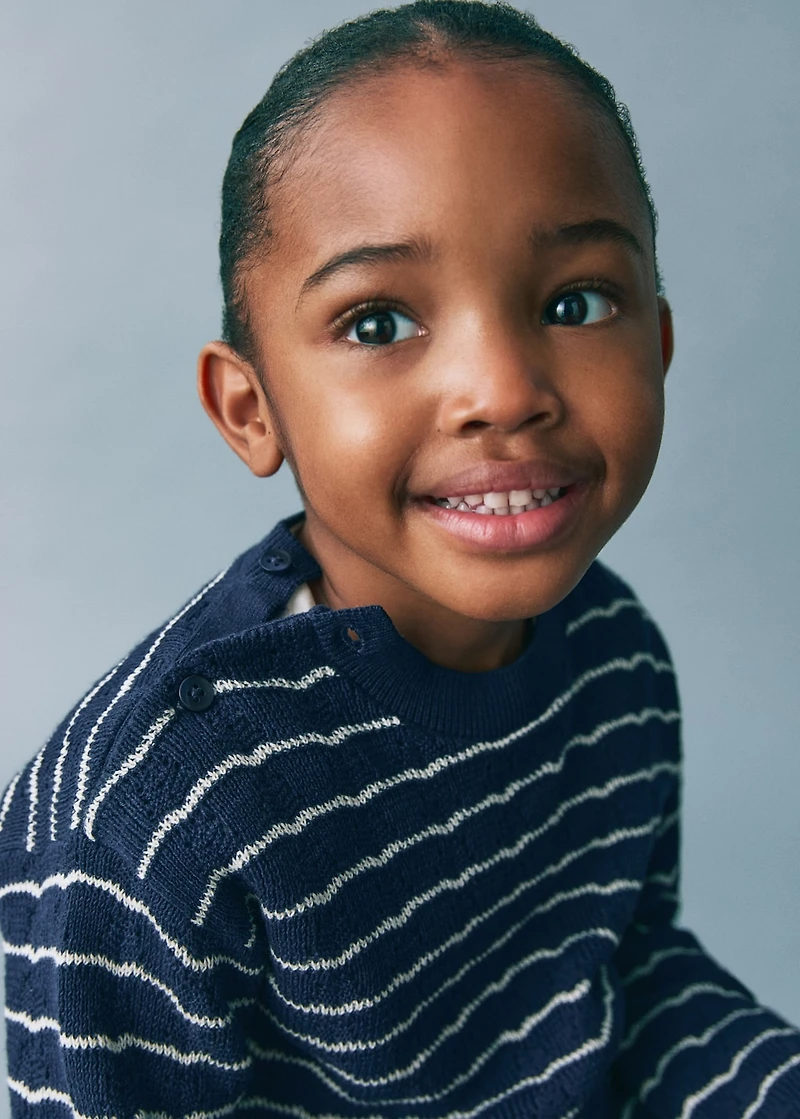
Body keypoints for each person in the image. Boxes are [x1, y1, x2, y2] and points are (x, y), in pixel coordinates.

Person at [1, 1, 798, 1115]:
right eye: (378, 323)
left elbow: (619, 984)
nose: (503, 388)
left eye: (575, 301)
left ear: (657, 347)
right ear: (250, 408)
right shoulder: (151, 812)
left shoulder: (612, 659)